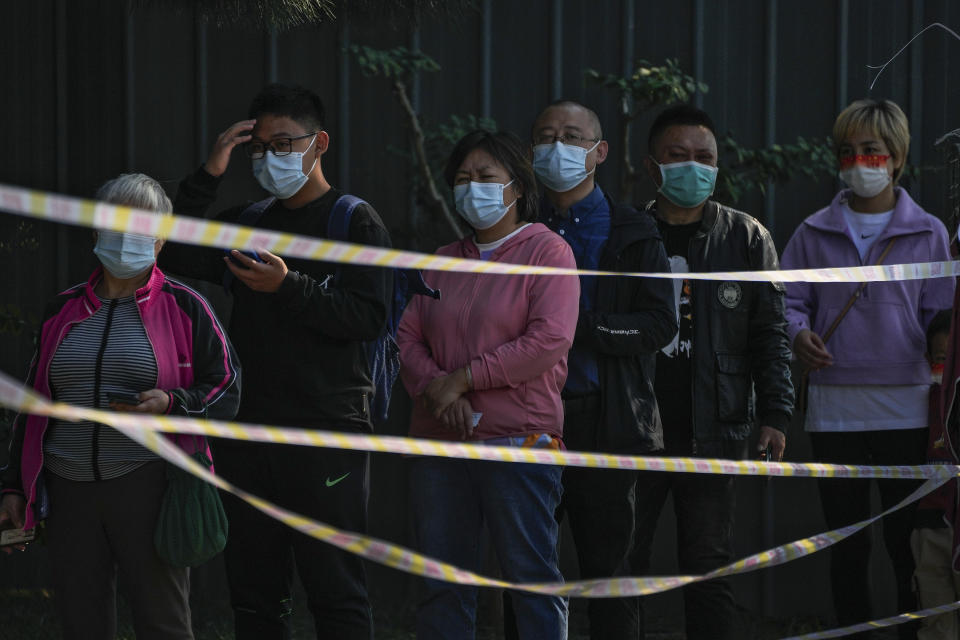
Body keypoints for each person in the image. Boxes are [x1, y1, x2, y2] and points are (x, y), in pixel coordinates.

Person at [159, 84, 392, 639]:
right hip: (250, 433)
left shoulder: (354, 221)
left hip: (327, 435)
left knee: (336, 590)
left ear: (320, 144)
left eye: (284, 143)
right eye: (259, 147)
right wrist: (210, 173)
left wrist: (289, 288)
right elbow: (167, 247)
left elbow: (368, 317)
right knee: (256, 591)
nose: (270, 157)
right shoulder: (251, 221)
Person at [0, 173, 241, 640]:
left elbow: (227, 388)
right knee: (81, 623)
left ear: (160, 239)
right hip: (69, 489)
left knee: (163, 623)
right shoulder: (62, 310)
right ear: (95, 230)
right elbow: (31, 406)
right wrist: (13, 486)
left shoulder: (187, 306)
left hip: (148, 483)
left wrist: (174, 402)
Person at [397, 129, 580, 640]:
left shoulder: (549, 252)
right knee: (443, 583)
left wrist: (463, 380)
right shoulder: (441, 258)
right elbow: (407, 336)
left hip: (517, 442)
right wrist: (439, 389)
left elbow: (549, 339)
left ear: (517, 187)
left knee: (531, 580)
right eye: (462, 178)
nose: (471, 187)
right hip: (440, 439)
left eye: (485, 177)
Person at [782, 98, 953, 639]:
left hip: (908, 406)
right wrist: (797, 334)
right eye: (848, 152)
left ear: (897, 157)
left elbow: (943, 317)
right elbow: (786, 300)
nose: (859, 162)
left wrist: (940, 341)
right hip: (834, 408)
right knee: (844, 545)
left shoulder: (929, 233)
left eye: (872, 151)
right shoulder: (811, 232)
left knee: (908, 542)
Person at [629, 104, 794, 640]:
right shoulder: (627, 234)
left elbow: (771, 334)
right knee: (621, 565)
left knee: (708, 568)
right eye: (678, 157)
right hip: (632, 427)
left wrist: (776, 413)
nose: (692, 167)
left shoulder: (746, 238)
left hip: (715, 433)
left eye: (705, 157)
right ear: (653, 165)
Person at [527, 100, 677, 639]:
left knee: (609, 578)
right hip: (526, 423)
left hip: (606, 423)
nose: (557, 148)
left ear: (599, 152)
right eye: (546, 137)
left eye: (572, 136)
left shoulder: (633, 232)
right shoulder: (517, 228)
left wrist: (578, 326)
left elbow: (660, 325)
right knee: (527, 578)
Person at [914, 310, 958, 640]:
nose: (945, 375)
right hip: (930, 522)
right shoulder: (921, 401)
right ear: (928, 358)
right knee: (937, 626)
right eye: (941, 361)